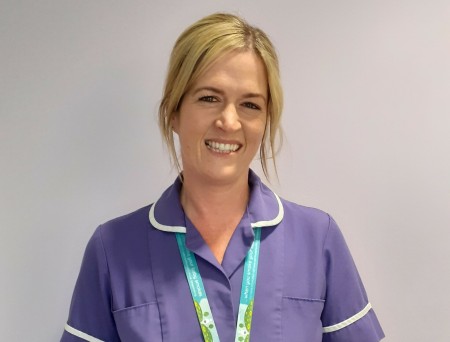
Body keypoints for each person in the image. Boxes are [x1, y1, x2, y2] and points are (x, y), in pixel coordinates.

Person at [61, 13, 385, 342]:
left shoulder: (318, 240)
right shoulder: (112, 249)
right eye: (209, 98)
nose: (229, 122)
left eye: (249, 105)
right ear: (174, 111)